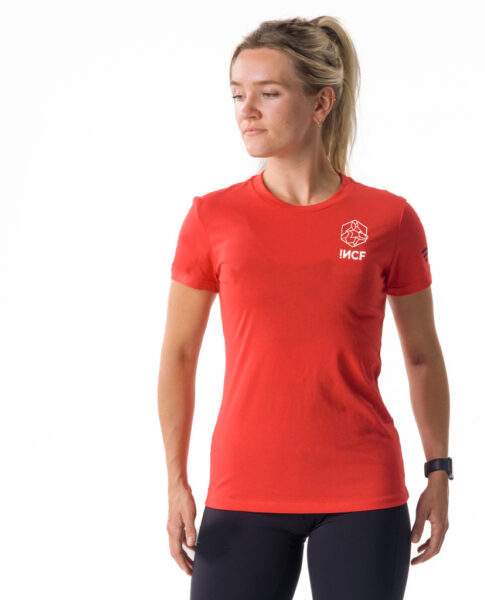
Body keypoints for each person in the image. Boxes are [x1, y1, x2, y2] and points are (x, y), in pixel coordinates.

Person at [158, 15, 451, 600]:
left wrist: (438, 470)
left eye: (268, 93)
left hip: (362, 490)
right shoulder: (213, 218)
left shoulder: (388, 219)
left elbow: (422, 356)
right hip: (244, 488)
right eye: (237, 94)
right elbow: (180, 356)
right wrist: (176, 481)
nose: (247, 111)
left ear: (321, 103)